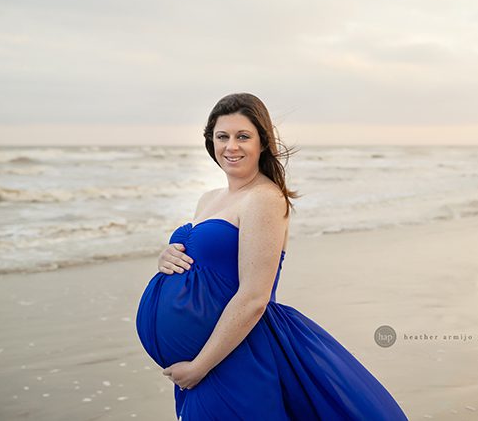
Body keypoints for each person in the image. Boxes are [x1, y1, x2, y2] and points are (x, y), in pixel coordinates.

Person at [136, 93, 407, 420]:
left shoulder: (264, 199)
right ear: (211, 142)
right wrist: (168, 257)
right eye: (222, 136)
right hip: (209, 358)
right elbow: (206, 261)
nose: (231, 146)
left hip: (235, 355)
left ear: (262, 142)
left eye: (243, 136)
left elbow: (254, 296)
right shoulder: (209, 198)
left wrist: (199, 366)